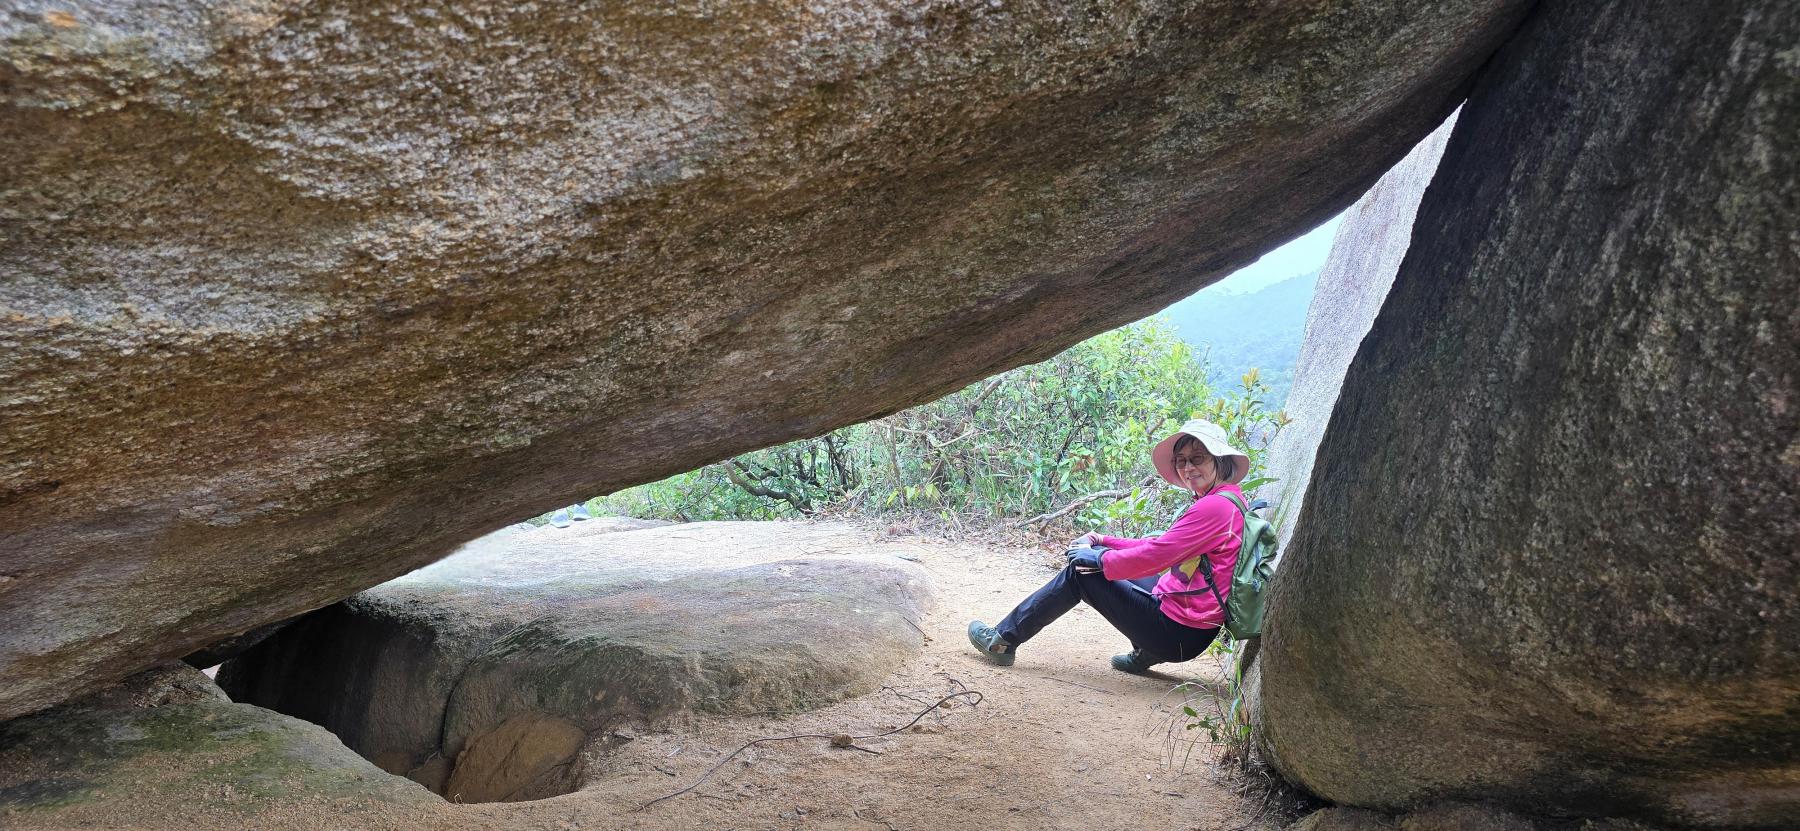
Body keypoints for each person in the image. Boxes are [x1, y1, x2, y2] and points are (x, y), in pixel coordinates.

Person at [967, 418, 1249, 674]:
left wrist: (1099, 561)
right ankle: (1145, 651)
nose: (1188, 468)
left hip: (1177, 633)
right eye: (1181, 460)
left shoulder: (1214, 507)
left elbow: (1158, 554)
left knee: (1082, 574)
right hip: (1190, 629)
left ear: (1219, 460)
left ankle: (1002, 641)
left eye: (1197, 458)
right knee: (1105, 560)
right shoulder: (1228, 500)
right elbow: (1161, 544)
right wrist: (1102, 542)